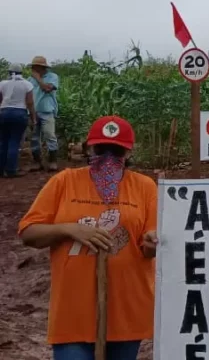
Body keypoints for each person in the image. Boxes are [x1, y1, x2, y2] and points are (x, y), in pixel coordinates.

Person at [18, 115, 158, 360]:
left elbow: (149, 246)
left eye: (116, 151)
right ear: (89, 149)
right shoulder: (64, 182)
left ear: (128, 153)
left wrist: (152, 243)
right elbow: (29, 233)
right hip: (72, 312)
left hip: (127, 309)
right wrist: (70, 229)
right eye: (101, 149)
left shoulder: (145, 187)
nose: (108, 157)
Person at [0, 63, 37, 178]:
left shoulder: (2, 84)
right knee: (14, 142)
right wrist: (33, 118)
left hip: (4, 113)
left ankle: (1, 170)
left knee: (3, 142)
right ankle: (11, 170)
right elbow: (30, 103)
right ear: (21, 73)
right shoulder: (27, 85)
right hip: (19, 114)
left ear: (9, 72)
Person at [28, 56, 62, 171]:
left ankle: (52, 161)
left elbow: (47, 89)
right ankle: (37, 162)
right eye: (33, 67)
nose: (34, 69)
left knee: (49, 135)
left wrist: (38, 79)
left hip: (47, 110)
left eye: (36, 67)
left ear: (42, 67)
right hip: (33, 111)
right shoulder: (29, 80)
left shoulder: (52, 77)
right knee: (34, 138)